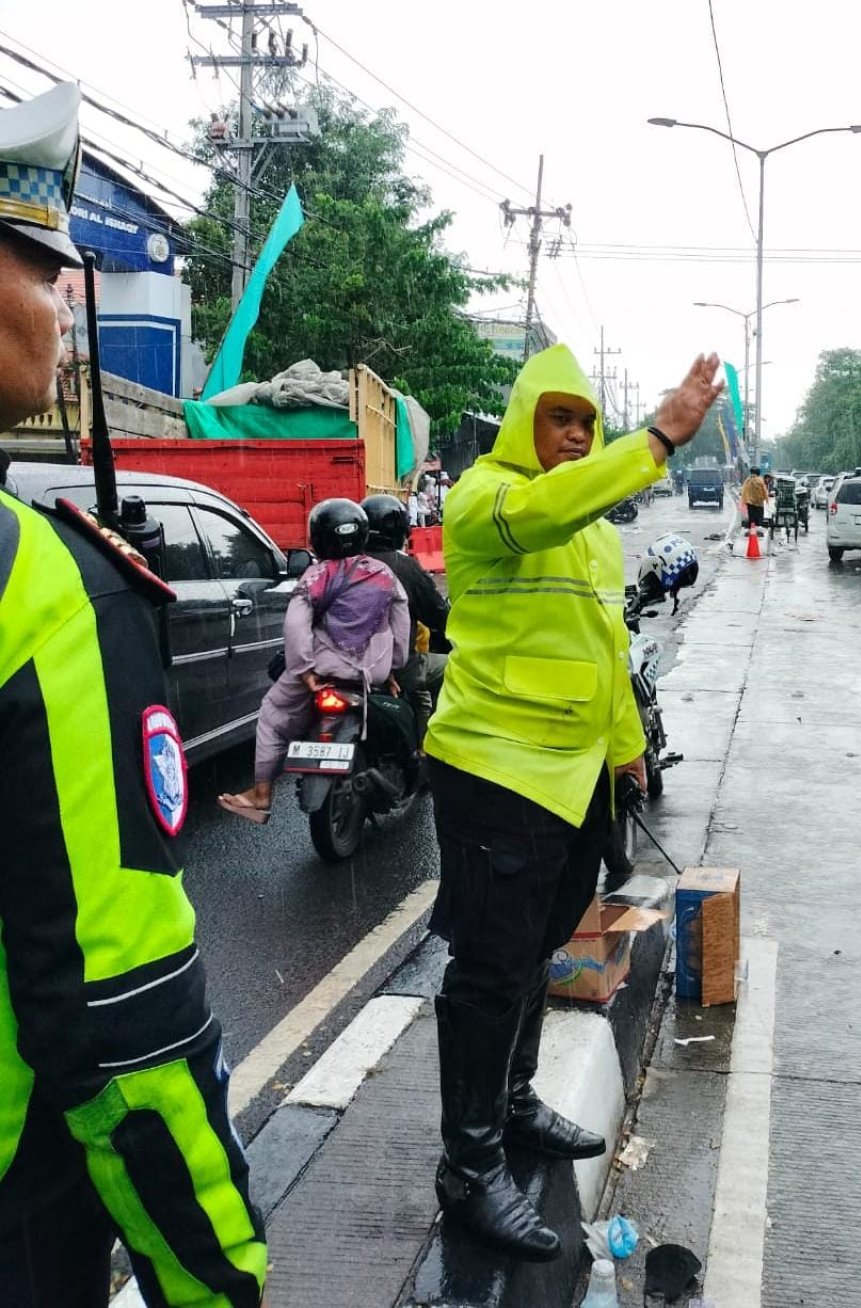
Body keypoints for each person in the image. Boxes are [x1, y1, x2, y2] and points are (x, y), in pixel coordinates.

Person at [0, 82, 268, 1305]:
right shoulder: (39, 583)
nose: (64, 304)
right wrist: (218, 1278)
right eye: (44, 265)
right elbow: (124, 1014)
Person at [424, 343, 722, 1261]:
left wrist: (628, 754)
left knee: (537, 949)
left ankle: (512, 1106)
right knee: (489, 966)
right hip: (495, 772)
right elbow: (545, 507)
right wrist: (660, 435)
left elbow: (605, 644)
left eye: (587, 423)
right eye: (562, 419)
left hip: (573, 777)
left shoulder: (591, 528)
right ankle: (470, 1169)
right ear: (524, 422)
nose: (577, 437)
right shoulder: (488, 497)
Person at [218, 499, 410, 822]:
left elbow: (295, 627)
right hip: (371, 674)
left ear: (318, 539)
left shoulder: (315, 576)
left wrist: (304, 670)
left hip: (322, 671)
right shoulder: (384, 575)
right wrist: (393, 667)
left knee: (272, 714)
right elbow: (401, 626)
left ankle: (261, 795)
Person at [361, 492, 452, 736]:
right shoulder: (405, 568)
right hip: (399, 666)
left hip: (342, 665)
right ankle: (428, 747)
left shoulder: (339, 566)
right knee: (456, 668)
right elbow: (436, 614)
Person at [742, 464, 768, 531]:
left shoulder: (747, 480)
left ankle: (752, 529)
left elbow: (744, 490)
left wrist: (744, 500)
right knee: (759, 517)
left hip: (750, 502)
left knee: (751, 517)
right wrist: (766, 498)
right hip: (759, 503)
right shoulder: (760, 480)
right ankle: (758, 528)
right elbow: (764, 491)